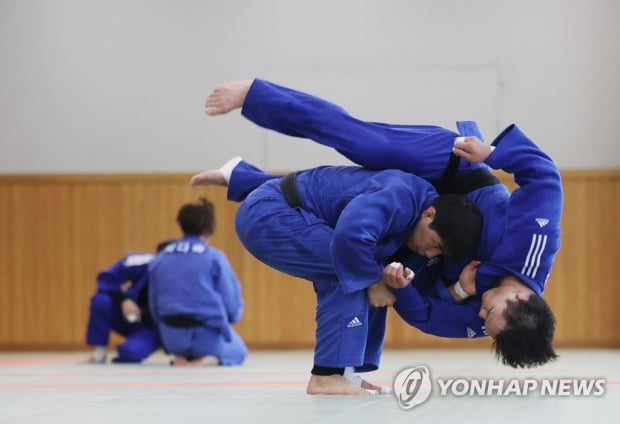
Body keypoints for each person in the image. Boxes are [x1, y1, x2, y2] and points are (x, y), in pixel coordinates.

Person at [199, 78, 563, 368]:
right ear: (519, 297)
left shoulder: (494, 318)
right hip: (454, 171)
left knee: (347, 205)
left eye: (487, 324)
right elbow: (544, 175)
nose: (481, 315)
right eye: (490, 312)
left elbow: (426, 315)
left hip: (421, 237)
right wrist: (493, 154)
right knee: (358, 139)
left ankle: (242, 179)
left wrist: (457, 293)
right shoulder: (534, 246)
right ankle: (256, 95)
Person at [191, 160, 483, 394]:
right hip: (269, 213)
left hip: (287, 210)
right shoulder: (403, 195)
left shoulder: (419, 232)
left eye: (439, 253)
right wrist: (373, 280)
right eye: (435, 244)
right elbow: (350, 236)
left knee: (370, 274)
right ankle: (326, 375)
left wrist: (457, 290)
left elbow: (410, 296)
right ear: (429, 214)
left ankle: (346, 373)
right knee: (352, 270)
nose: (431, 254)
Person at [148, 197, 248, 367]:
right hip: (207, 337)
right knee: (239, 351)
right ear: (210, 228)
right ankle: (209, 358)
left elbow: (153, 303)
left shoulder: (161, 258)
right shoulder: (214, 257)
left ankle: (181, 358)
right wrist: (231, 318)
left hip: (172, 338)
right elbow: (231, 299)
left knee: (180, 340)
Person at [85, 240, 173, 364]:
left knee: (130, 353)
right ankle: (100, 350)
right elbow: (106, 279)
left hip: (157, 328)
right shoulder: (142, 263)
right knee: (101, 300)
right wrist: (124, 300)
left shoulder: (190, 275)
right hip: (131, 316)